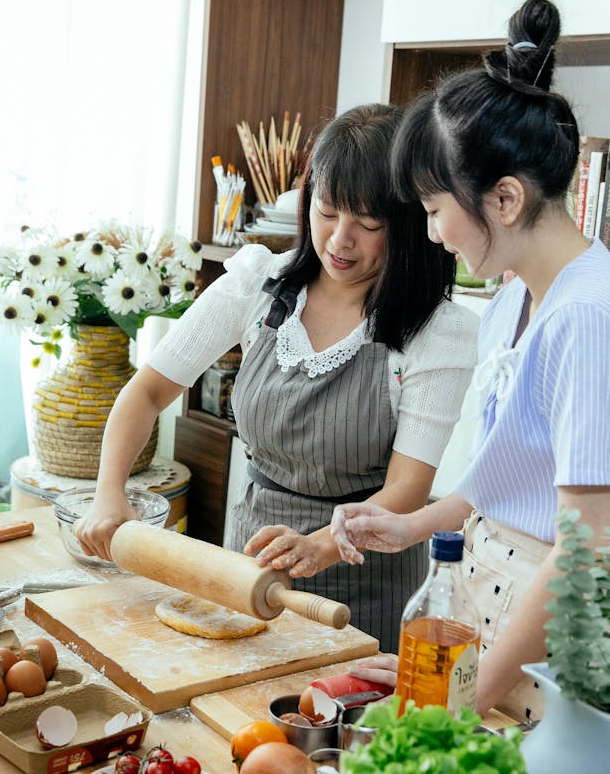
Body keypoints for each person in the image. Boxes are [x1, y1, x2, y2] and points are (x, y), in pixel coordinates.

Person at [73, 103, 479, 649]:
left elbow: (407, 490)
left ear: (407, 224)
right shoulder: (257, 285)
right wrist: (108, 493)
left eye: (368, 224)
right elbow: (148, 391)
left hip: (366, 581)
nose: (339, 240)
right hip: (248, 564)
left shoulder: (436, 333)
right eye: (328, 212)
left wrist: (319, 547)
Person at [309, 0, 610, 720]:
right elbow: (506, 480)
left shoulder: (589, 319)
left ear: (504, 199)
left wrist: (468, 691)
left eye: (435, 208)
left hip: (546, 627)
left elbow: (585, 550)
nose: (433, 232)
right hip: (484, 593)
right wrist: (414, 526)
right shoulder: (511, 300)